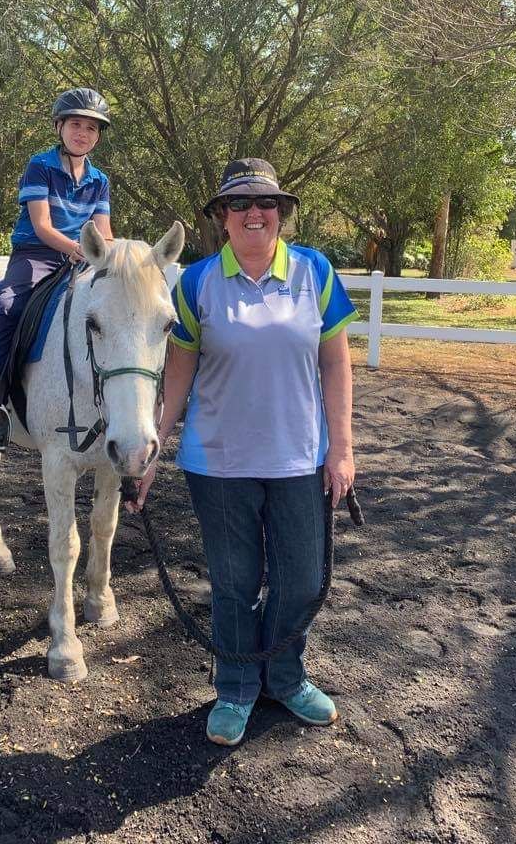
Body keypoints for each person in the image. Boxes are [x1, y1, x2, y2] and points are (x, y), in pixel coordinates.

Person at [128, 158, 358, 746]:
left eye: (266, 203)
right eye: (239, 204)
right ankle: (235, 687)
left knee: (302, 579)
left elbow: (335, 361)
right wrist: (154, 448)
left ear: (280, 214)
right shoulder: (197, 282)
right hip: (220, 461)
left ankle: (285, 676)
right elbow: (178, 371)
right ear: (221, 218)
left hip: (299, 459)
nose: (254, 213)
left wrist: (342, 447)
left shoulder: (316, 272)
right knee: (234, 582)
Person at [0, 87, 113, 450]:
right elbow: (42, 225)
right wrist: (77, 249)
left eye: (92, 128)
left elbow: (105, 232)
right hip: (37, 255)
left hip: (81, 258)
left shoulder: (99, 181)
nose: (83, 133)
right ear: (59, 127)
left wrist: (112, 257)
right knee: (5, 306)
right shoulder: (41, 166)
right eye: (76, 125)